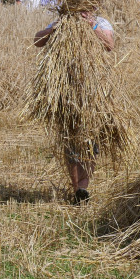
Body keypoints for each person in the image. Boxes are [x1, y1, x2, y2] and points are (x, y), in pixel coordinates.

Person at [33, 13, 114, 203]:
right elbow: (37, 41)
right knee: (70, 141)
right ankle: (77, 188)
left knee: (90, 139)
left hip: (92, 89)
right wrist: (53, 29)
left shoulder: (101, 22)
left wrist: (92, 26)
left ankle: (83, 187)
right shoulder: (61, 20)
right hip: (65, 88)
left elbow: (109, 45)